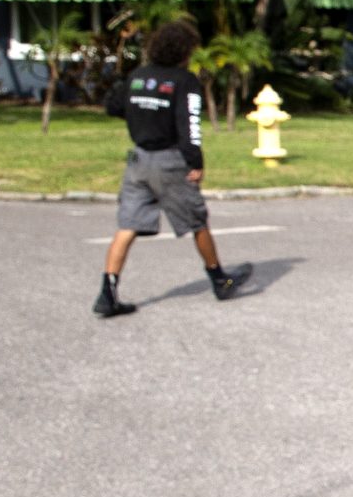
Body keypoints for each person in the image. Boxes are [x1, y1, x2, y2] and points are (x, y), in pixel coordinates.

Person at [95, 18, 251, 317]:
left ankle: (108, 291)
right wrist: (195, 162)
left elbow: (115, 107)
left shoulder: (139, 76)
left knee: (127, 225)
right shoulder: (184, 81)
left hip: (138, 161)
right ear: (184, 50)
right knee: (196, 220)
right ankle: (219, 279)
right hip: (170, 162)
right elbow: (189, 125)